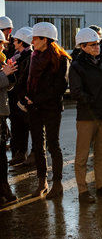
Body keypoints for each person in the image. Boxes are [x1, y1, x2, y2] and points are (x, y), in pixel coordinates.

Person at [69, 28, 102, 203]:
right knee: (82, 156)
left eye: (98, 44)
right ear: (82, 46)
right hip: (87, 117)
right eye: (92, 45)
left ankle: (101, 186)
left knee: (101, 153)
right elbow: (75, 91)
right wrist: (94, 101)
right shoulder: (77, 66)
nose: (97, 47)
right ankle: (83, 191)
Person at [27, 22, 70, 199]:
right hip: (34, 108)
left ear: (45, 39)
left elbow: (60, 87)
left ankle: (57, 183)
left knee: (53, 145)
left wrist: (36, 99)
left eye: (35, 38)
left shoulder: (61, 59)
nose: (32, 41)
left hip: (51, 107)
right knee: (38, 145)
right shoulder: (33, 57)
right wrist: (26, 99)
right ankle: (41, 181)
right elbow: (26, 80)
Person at [8, 27, 33, 165]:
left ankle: (28, 154)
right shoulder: (18, 56)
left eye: (16, 40)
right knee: (18, 127)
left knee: (25, 126)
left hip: (21, 98)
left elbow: (24, 79)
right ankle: (20, 153)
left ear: (22, 41)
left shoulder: (28, 57)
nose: (13, 42)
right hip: (15, 98)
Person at [0, 30, 18, 204]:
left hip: (1, 113)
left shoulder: (2, 60)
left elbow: (7, 87)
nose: (2, 48)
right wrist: (4, 75)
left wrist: (10, 75)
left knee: (2, 156)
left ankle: (4, 187)